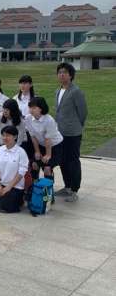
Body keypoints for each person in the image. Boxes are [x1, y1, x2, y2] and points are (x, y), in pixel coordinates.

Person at [55, 63, 87, 202]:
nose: (62, 74)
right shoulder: (58, 90)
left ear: (71, 75)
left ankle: (74, 190)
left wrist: (77, 125)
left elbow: (83, 112)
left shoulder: (76, 91)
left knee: (73, 161)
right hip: (60, 132)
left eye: (65, 72)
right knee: (62, 160)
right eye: (60, 72)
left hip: (73, 133)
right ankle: (67, 186)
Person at [0, 126, 29, 213]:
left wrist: (8, 187)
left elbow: (21, 172)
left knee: (4, 208)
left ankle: (20, 199)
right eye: (3, 135)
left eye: (8, 135)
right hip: (1, 184)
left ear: (15, 137)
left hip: (15, 186)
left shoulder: (21, 152)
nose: (5, 138)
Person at [25, 97, 64, 183]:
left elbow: (48, 139)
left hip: (54, 146)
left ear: (41, 108)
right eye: (30, 107)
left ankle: (47, 189)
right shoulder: (28, 118)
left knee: (47, 168)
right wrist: (37, 151)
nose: (31, 110)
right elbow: (33, 137)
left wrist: (48, 155)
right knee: (34, 164)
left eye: (34, 108)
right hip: (41, 145)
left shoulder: (49, 120)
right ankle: (35, 185)